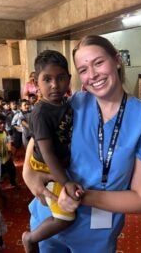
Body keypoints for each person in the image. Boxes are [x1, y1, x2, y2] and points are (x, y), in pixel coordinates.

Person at [22, 35, 141, 253]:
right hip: (48, 220)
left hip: (96, 233)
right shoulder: (75, 103)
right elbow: (39, 140)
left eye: (98, 62)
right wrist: (28, 173)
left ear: (117, 60)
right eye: (83, 69)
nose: (92, 75)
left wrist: (80, 196)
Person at [22, 50, 84, 253]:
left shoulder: (64, 104)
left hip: (59, 164)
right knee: (65, 216)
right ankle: (31, 239)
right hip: (47, 167)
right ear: (35, 81)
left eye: (61, 78)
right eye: (47, 79)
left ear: (69, 78)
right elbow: (48, 154)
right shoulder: (40, 112)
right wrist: (65, 182)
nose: (55, 85)